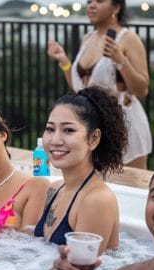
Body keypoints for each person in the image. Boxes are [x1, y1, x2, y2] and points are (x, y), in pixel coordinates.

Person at [47, 0, 152, 169]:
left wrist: (120, 60)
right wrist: (65, 62)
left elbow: (142, 89)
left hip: (125, 127)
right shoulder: (88, 38)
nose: (91, 5)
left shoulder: (128, 38)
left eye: (99, 1)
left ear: (116, 8)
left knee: (131, 189)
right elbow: (81, 90)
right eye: (89, 2)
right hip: (93, 126)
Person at [34, 86, 128, 253]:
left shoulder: (97, 200)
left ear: (93, 139)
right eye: (50, 129)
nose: (55, 140)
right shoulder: (54, 189)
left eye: (68, 130)